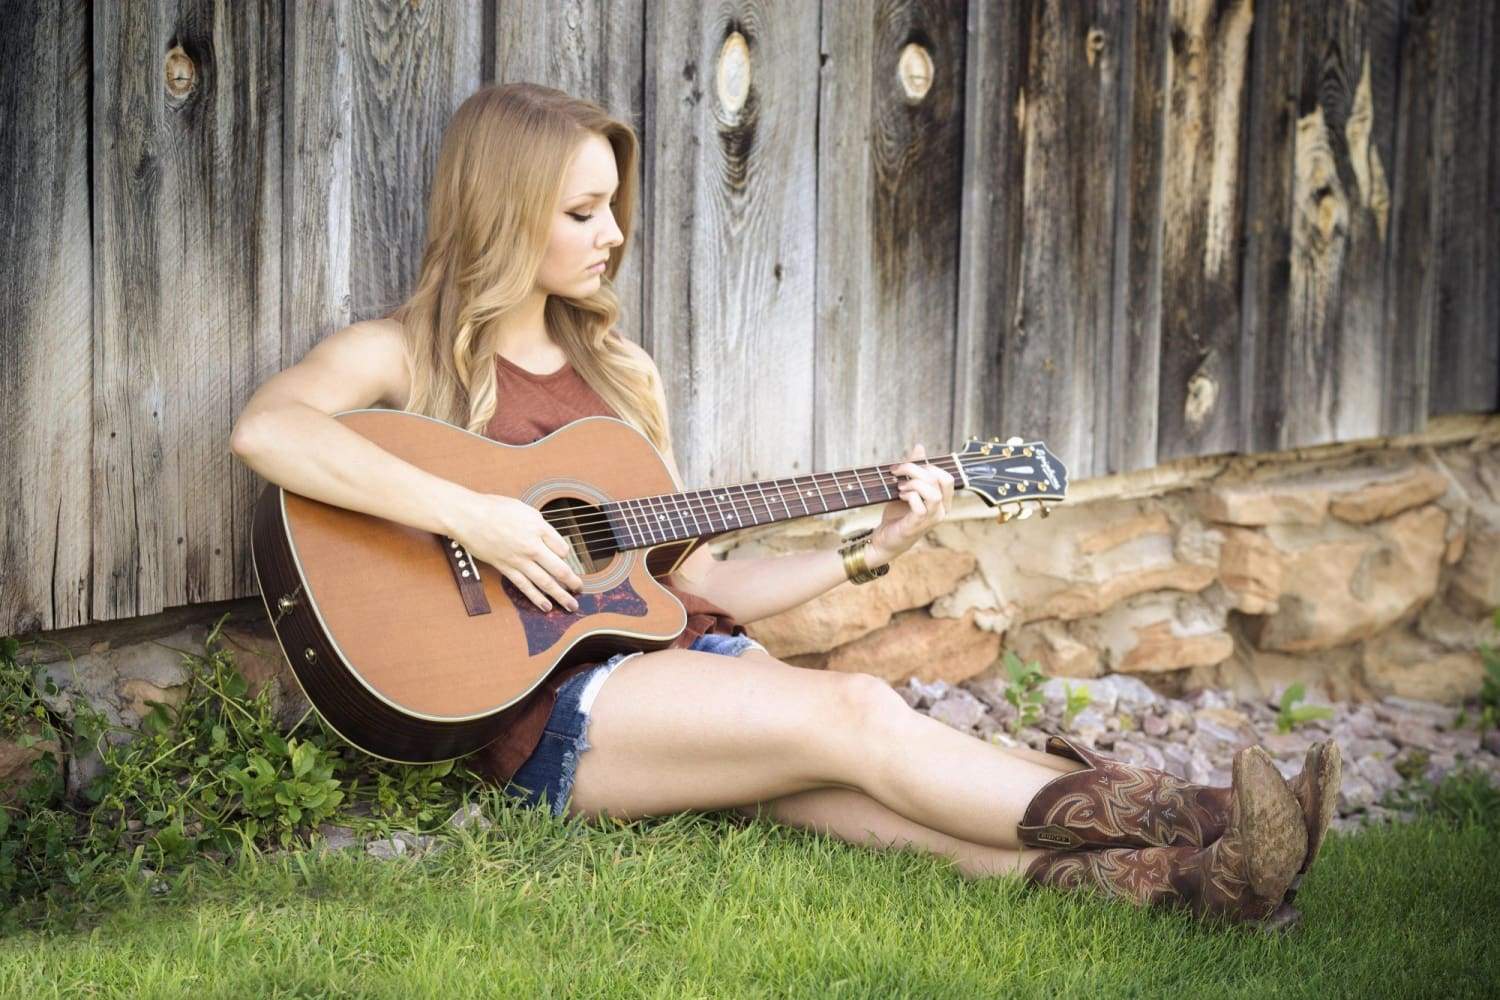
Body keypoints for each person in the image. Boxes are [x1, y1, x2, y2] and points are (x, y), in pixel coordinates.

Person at [229, 82, 1340, 931]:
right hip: (555, 715)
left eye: (613, 207)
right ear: (506, 214)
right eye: (583, 211)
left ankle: (1199, 883)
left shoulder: (622, 380)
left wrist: (874, 546)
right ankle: (1210, 809)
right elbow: (269, 431)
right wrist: (474, 516)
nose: (614, 234)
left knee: (886, 808)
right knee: (857, 713)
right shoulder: (404, 354)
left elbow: (702, 583)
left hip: (688, 674)